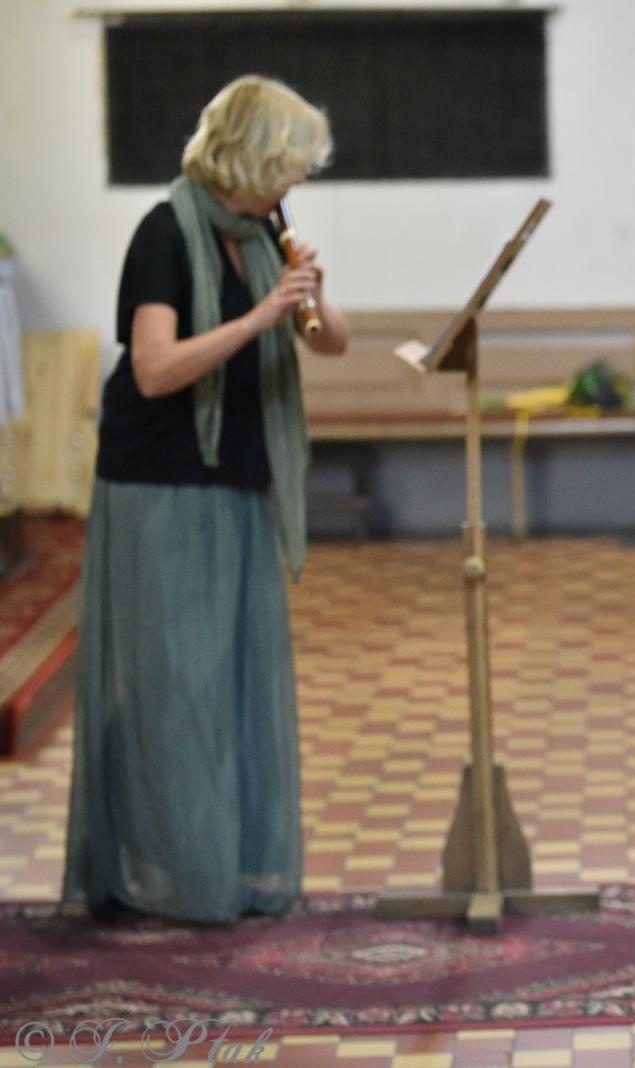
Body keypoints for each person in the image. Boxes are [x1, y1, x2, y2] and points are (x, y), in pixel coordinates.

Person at [64, 75, 349, 923]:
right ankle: (164, 875)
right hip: (160, 482)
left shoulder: (261, 231)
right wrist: (263, 315)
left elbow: (328, 343)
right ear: (253, 157)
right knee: (170, 688)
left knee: (226, 684)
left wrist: (310, 293)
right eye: (290, 165)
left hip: (237, 478)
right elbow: (155, 370)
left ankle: (223, 867)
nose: (296, 183)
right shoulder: (163, 234)